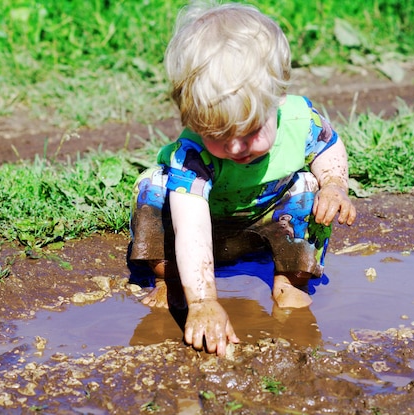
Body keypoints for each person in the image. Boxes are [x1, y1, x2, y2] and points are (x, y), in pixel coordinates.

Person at [128, 1, 356, 357]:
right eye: (217, 136)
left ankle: (291, 279)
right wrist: (202, 301)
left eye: (249, 132)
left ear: (276, 100)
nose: (236, 147)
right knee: (153, 189)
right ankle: (168, 276)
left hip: (269, 215)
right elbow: (191, 228)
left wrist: (334, 184)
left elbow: (329, 148)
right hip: (206, 221)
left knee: (308, 188)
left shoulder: (299, 119)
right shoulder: (193, 155)